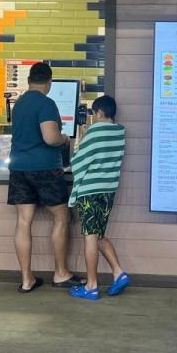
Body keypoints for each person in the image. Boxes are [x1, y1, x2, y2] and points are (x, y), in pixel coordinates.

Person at [8, 62, 80, 292]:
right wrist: (64, 139)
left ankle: (27, 279)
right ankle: (60, 273)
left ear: (29, 80)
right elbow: (50, 137)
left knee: (23, 221)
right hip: (45, 168)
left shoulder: (19, 104)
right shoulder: (47, 103)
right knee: (61, 217)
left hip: (19, 168)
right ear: (49, 83)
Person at [67, 95, 129, 301]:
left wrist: (77, 147)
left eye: (94, 114)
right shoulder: (120, 132)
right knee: (99, 235)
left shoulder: (95, 131)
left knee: (90, 237)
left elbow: (78, 163)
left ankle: (92, 286)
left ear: (99, 113)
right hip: (108, 191)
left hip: (90, 191)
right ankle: (118, 272)